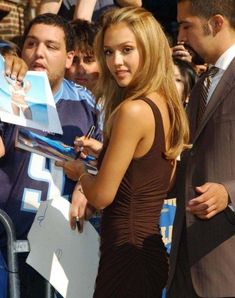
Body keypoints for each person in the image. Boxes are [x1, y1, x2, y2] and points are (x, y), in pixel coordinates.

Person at [57, 6, 189, 297]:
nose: (116, 61)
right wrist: (107, 152)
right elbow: (152, 174)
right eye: (108, 52)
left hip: (126, 256)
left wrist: (81, 173)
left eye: (127, 49)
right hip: (147, 251)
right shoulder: (163, 104)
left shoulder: (132, 110)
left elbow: (102, 195)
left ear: (150, 50)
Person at [0, 13, 101, 297]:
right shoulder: (5, 88)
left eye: (51, 46)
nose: (39, 53)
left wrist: (88, 181)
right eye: (31, 44)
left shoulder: (87, 104)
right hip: (6, 243)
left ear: (69, 58)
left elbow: (108, 165)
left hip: (62, 249)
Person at [166, 1, 235, 297]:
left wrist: (229, 193)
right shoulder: (203, 83)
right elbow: (190, 160)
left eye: (187, 25)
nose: (180, 36)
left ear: (216, 23)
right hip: (185, 259)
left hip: (226, 262)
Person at [65, 19, 100, 93]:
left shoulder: (118, 101)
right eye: (73, 61)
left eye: (89, 60)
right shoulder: (49, 101)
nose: (81, 71)